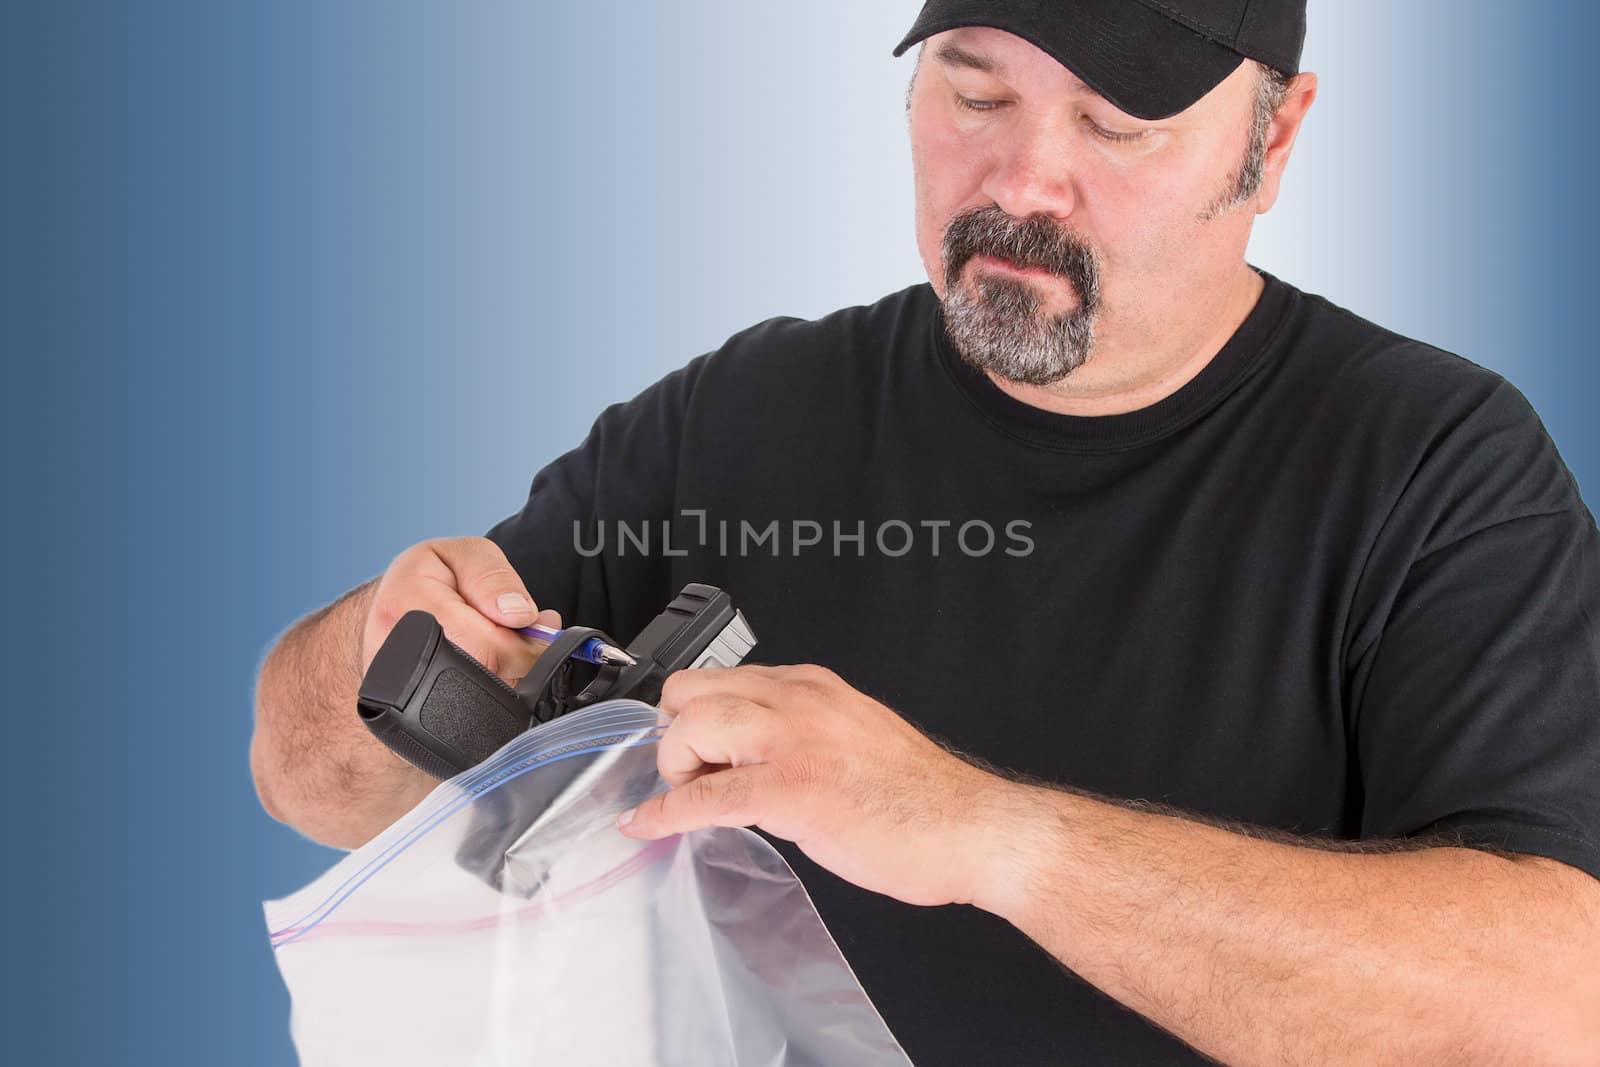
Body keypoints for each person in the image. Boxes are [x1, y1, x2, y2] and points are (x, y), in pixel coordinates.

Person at [251, 2, 1600, 1062]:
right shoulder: (749, 411)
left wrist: (985, 835)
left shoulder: (1434, 468)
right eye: (974, 91)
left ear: (1277, 136)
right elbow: (308, 787)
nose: (1024, 181)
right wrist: (374, 655)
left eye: (1119, 122)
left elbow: (1553, 1010)